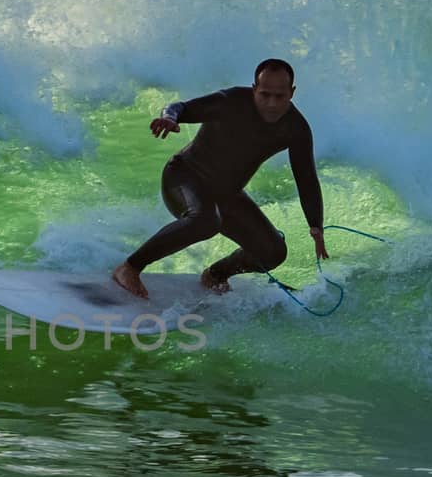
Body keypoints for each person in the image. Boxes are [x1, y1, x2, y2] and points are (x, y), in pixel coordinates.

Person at [111, 59, 328, 300]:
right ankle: (129, 267)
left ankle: (215, 275)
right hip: (184, 177)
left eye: (280, 96)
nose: (272, 104)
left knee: (272, 252)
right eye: (265, 94)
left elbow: (306, 178)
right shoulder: (231, 101)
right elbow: (180, 107)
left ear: (292, 93)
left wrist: (316, 225)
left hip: (227, 194)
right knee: (205, 221)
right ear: (254, 88)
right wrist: (169, 118)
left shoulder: (295, 128)